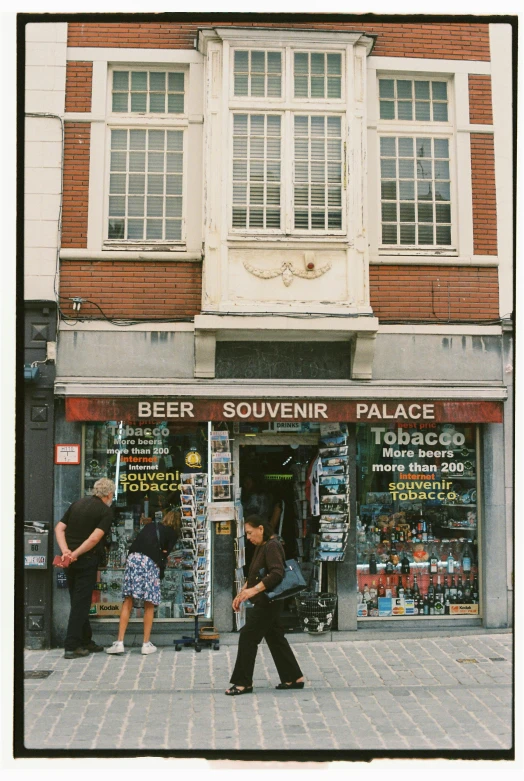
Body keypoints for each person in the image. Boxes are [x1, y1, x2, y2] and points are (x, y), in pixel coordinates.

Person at [225, 515, 305, 695]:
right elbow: (256, 574)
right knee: (275, 638)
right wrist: (242, 593)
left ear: (261, 529)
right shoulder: (262, 546)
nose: (248, 537)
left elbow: (277, 573)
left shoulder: (272, 546)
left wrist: (253, 591)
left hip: (268, 602)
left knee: (247, 637)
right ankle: (293, 677)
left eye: (250, 533)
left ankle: (242, 682)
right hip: (267, 601)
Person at [55, 477, 115, 659]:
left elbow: (59, 528)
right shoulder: (105, 511)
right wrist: (76, 554)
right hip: (85, 560)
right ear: (109, 494)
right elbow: (94, 539)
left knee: (78, 601)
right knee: (81, 604)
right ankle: (72, 646)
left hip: (69, 561)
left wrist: (66, 551)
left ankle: (85, 640)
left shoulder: (77, 504)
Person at [106, 508, 180, 656]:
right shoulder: (172, 533)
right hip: (150, 562)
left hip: (133, 559)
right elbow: (164, 554)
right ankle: (145, 644)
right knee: (149, 603)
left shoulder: (150, 526)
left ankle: (119, 642)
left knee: (128, 600)